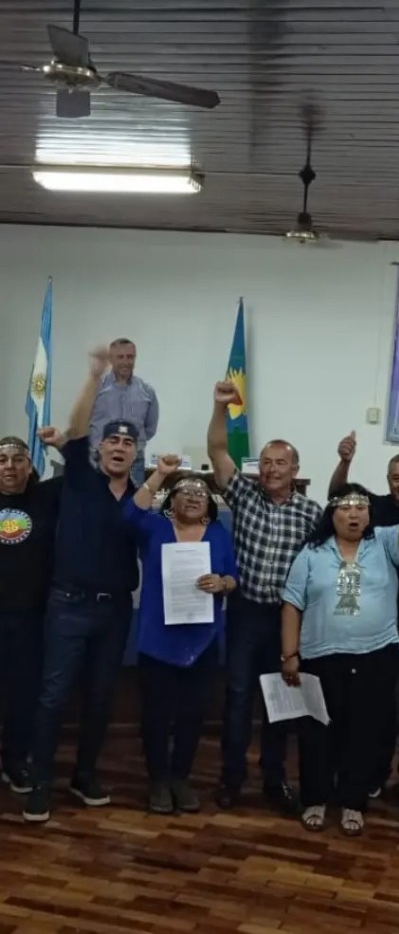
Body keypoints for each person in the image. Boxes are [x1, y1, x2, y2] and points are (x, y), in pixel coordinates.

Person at [24, 347, 141, 824]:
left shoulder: (141, 496)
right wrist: (94, 376)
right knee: (53, 695)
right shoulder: (78, 477)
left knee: (100, 695)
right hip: (68, 607)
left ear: (135, 453)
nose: (118, 447)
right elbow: (74, 426)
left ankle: (84, 774)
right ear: (99, 449)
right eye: (111, 441)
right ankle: (39, 782)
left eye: (127, 444)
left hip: (115, 612)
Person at [281, 473, 399, 836]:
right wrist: (289, 654)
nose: (354, 514)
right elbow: (292, 604)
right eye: (346, 508)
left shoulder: (384, 543)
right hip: (319, 656)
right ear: (332, 515)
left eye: (361, 508)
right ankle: (315, 797)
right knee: (317, 732)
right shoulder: (312, 553)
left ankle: (352, 802)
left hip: (375, 655)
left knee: (363, 732)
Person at [207, 380, 322, 813]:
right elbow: (218, 451)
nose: (271, 469)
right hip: (245, 614)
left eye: (281, 463)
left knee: (281, 702)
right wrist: (220, 408)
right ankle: (231, 779)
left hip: (286, 620)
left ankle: (274, 780)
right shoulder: (244, 494)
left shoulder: (312, 514)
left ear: (295, 470)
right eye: (267, 463)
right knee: (237, 699)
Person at [126, 456, 238, 814]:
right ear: (170, 501)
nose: (193, 497)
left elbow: (234, 577)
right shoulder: (155, 529)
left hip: (202, 640)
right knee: (156, 714)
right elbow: (129, 516)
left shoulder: (219, 534)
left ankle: (180, 777)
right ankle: (158, 780)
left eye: (201, 494)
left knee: (193, 714)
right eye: (185, 492)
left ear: (210, 506)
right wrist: (160, 474)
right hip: (158, 639)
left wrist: (223, 583)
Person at [329, 432, 399, 795]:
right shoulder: (373, 508)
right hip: (372, 617)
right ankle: (372, 769)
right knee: (378, 702)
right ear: (388, 482)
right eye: (396, 478)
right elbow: (337, 495)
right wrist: (345, 461)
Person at [0, 435, 61, 794]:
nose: (10, 466)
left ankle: (14, 761)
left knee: (23, 694)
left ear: (30, 465)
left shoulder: (46, 498)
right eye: (2, 460)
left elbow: (83, 468)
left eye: (17, 459)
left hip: (30, 616)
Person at [88, 338, 159, 486]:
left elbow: (150, 428)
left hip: (135, 463)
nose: (126, 361)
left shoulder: (147, 391)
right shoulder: (96, 388)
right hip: (98, 460)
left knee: (132, 506)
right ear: (111, 359)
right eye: (120, 357)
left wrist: (132, 446)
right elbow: (83, 422)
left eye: (130, 357)